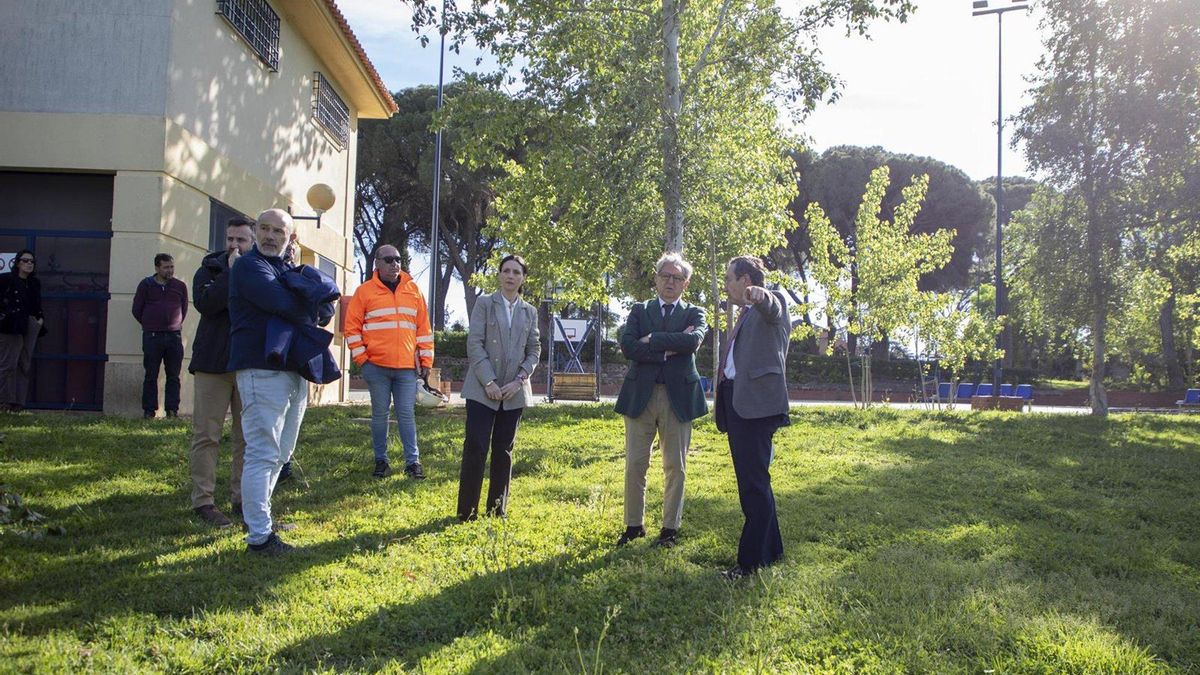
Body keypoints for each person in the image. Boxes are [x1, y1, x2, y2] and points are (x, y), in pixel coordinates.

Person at [229, 209, 329, 555]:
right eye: (265, 229)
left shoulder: (284, 268)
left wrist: (313, 303)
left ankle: (262, 519)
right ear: (255, 231)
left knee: (282, 453)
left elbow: (320, 308)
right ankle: (259, 537)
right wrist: (311, 302)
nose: (270, 236)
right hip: (260, 369)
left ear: (291, 238)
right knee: (262, 451)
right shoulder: (249, 267)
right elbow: (285, 303)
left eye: (278, 231)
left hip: (292, 369)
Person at [613, 253, 708, 548]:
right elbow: (628, 347)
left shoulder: (695, 313)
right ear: (655, 279)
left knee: (675, 466)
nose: (670, 281)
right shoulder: (640, 310)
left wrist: (651, 338)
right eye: (665, 276)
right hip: (640, 395)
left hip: (678, 397)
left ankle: (670, 529)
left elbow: (692, 341)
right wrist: (669, 345)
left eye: (677, 277)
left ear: (685, 283)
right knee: (635, 464)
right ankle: (633, 526)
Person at [715, 255, 791, 580]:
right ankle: (771, 551)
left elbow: (772, 304)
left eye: (729, 279)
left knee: (753, 487)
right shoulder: (744, 314)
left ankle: (749, 565)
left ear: (746, 280)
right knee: (756, 482)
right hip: (737, 404)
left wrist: (761, 295)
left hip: (756, 408)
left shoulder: (770, 304)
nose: (726, 285)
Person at [457, 254, 541, 521]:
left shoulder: (530, 312)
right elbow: (475, 344)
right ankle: (466, 512)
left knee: (503, 451)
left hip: (513, 393)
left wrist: (520, 380)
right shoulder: (484, 304)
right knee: (476, 447)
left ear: (523, 278)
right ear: (499, 275)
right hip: (483, 391)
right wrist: (489, 382)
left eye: (516, 272)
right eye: (506, 271)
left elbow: (534, 350)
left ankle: (496, 510)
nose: (510, 276)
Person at [343, 245, 434, 480]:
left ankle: (413, 462)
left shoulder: (413, 290)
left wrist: (426, 360)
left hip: (406, 368)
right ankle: (381, 460)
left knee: (406, 414)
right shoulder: (364, 291)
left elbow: (423, 329)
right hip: (376, 368)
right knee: (379, 415)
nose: (395, 264)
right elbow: (351, 328)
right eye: (389, 260)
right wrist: (363, 359)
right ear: (377, 264)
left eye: (398, 259)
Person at [187, 217, 254, 527]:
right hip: (212, 363)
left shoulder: (258, 271)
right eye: (230, 238)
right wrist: (230, 271)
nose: (234, 245)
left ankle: (241, 498)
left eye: (241, 239)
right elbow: (207, 304)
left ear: (252, 242)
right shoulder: (209, 269)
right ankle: (204, 501)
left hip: (247, 365)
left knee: (247, 438)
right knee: (207, 434)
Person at [132, 253, 188, 418]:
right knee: (151, 375)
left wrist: (175, 323)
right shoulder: (146, 285)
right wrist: (150, 323)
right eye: (166, 267)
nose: (170, 270)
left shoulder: (179, 286)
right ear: (157, 268)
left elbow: (183, 308)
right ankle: (149, 411)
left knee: (173, 375)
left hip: (174, 336)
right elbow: (137, 309)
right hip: (152, 336)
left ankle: (172, 411)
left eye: (172, 267)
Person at [0, 250, 46, 412]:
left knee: (24, 363)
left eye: (32, 261)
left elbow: (37, 303)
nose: (29, 264)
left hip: (30, 324)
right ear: (18, 262)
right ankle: (4, 401)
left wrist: (39, 320)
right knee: (8, 364)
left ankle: (18, 403)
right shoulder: (6, 280)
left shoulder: (34, 283)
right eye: (25, 261)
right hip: (10, 325)